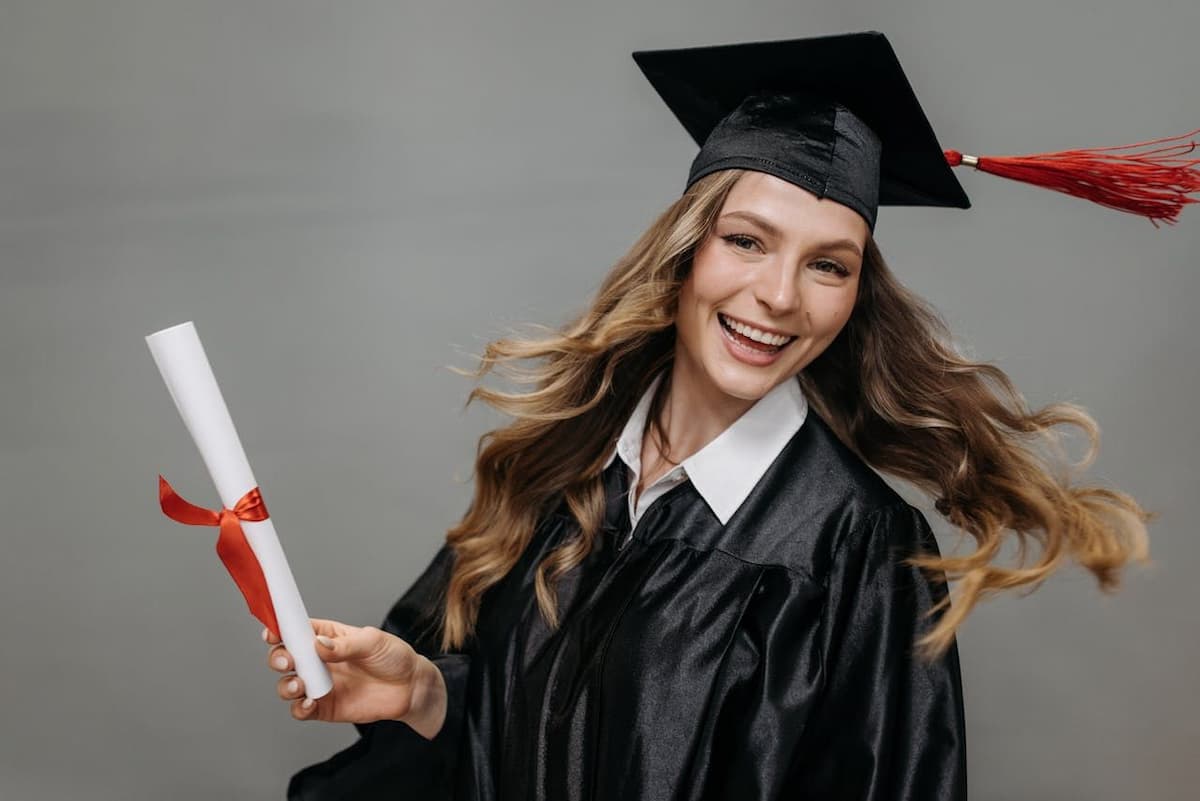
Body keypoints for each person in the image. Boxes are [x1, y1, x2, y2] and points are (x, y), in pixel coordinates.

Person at [265, 32, 1162, 801]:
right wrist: (426, 694)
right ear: (687, 251)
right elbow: (510, 741)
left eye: (829, 264)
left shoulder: (856, 551)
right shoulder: (564, 466)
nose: (779, 296)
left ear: (856, 293)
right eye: (747, 241)